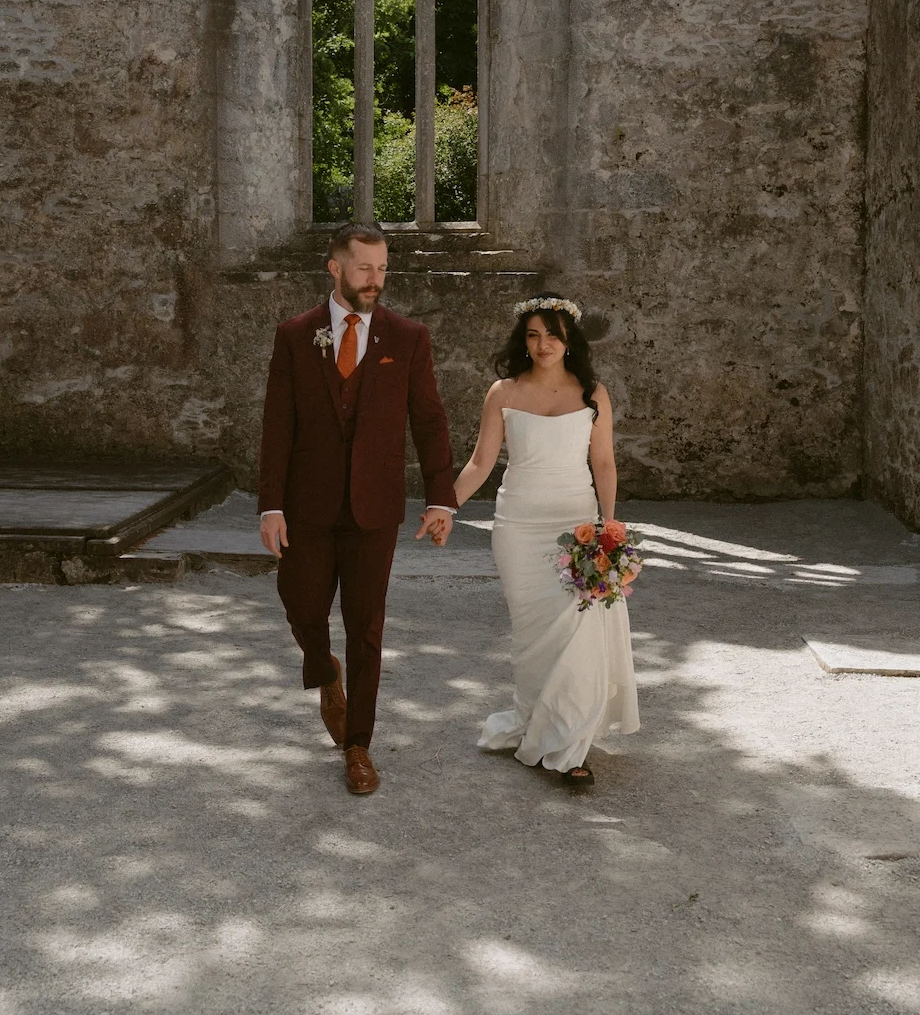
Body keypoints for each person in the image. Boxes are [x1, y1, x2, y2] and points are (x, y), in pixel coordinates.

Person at [257, 223, 457, 796]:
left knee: (366, 627)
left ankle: (359, 746)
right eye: (365, 268)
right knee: (301, 606)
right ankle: (324, 672)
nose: (376, 279)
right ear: (335, 268)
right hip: (307, 505)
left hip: (376, 509)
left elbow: (429, 419)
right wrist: (271, 505)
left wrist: (440, 497)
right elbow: (278, 426)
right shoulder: (295, 336)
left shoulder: (408, 336)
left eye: (383, 268)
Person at [451, 295, 639, 784]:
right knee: (533, 637)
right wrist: (444, 507)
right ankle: (538, 723)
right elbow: (480, 463)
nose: (543, 344)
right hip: (517, 526)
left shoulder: (592, 393)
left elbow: (603, 463)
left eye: (552, 334)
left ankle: (568, 750)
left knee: (578, 632)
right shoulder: (504, 392)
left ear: (569, 339)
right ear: (523, 340)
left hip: (574, 530)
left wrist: (609, 526)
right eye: (533, 335)